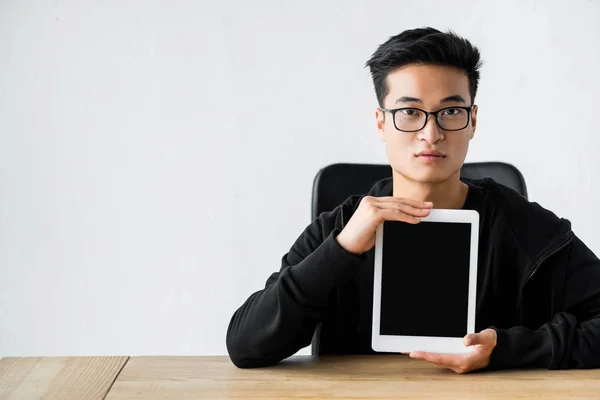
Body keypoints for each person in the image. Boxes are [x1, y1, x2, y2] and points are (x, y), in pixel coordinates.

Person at [225, 27, 600, 373]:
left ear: (472, 121)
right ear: (380, 122)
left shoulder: (524, 228)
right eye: (409, 112)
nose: (431, 133)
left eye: (451, 111)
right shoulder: (340, 228)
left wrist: (509, 349)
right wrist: (341, 250)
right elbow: (246, 345)